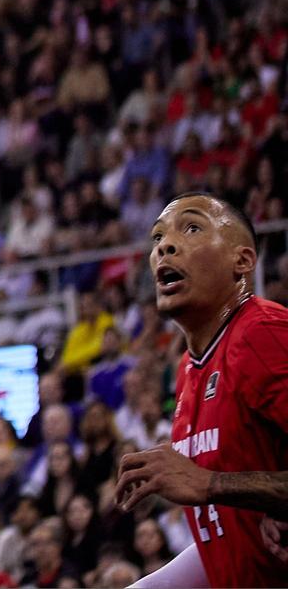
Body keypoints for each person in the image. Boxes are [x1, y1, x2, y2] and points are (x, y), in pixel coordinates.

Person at [116, 191, 288, 587]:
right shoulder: (190, 369)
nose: (165, 246)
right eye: (157, 238)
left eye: (192, 227)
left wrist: (210, 484)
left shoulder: (263, 334)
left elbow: (209, 488)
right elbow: (226, 536)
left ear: (242, 262)